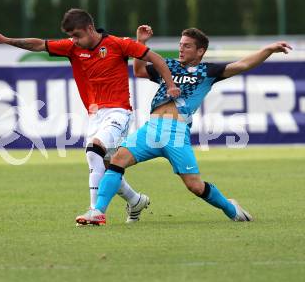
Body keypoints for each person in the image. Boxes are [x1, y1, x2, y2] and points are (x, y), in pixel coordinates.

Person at [75, 25, 292, 225]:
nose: (181, 49)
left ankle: (230, 207)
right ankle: (98, 212)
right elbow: (139, 70)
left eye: (187, 46)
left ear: (200, 51)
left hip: (176, 133)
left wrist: (269, 49)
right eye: (180, 45)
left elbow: (243, 64)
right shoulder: (167, 66)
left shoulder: (208, 72)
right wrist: (141, 41)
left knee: (195, 186)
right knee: (116, 161)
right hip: (151, 128)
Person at [0, 9, 180, 224]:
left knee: (93, 151)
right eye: (71, 36)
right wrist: (6, 40)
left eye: (77, 35)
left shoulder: (118, 44)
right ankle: (136, 200)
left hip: (118, 112)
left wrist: (170, 85)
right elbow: (38, 44)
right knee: (104, 168)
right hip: (94, 116)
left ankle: (96, 211)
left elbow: (156, 59)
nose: (73, 40)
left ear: (90, 28)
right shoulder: (72, 48)